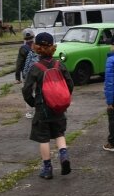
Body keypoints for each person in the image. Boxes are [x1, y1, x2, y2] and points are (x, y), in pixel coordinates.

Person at [22, 32, 74, 180]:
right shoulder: (59, 65)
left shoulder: (36, 67)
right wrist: (63, 98)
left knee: (43, 138)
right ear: (52, 47)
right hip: (58, 107)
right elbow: (70, 83)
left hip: (42, 108)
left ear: (36, 47)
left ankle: (47, 168)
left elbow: (26, 89)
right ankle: (63, 155)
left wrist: (33, 102)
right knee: (59, 134)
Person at [15, 29, 36, 118]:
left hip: (27, 75)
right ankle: (39, 110)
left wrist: (17, 77)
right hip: (38, 73)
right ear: (33, 36)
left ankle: (30, 112)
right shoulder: (37, 46)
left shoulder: (23, 48)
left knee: (28, 93)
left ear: (24, 38)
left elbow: (19, 63)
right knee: (38, 91)